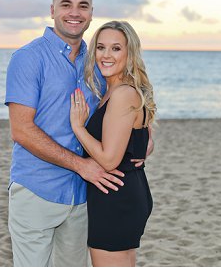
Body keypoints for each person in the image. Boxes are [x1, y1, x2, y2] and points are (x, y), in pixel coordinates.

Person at [5, 0, 121, 267]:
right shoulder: (28, 58)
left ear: (91, 13)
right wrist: (80, 165)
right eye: (66, 4)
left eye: (83, 6)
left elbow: (118, 107)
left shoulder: (96, 64)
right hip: (36, 190)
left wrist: (144, 139)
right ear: (52, 10)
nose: (75, 12)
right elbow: (21, 130)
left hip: (82, 196)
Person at [68, 20, 159, 267]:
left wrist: (78, 128)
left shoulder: (122, 93)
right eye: (101, 47)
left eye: (116, 48)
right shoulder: (115, 91)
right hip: (122, 191)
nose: (106, 55)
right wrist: (146, 147)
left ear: (130, 53)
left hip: (116, 195)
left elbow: (109, 160)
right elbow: (143, 136)